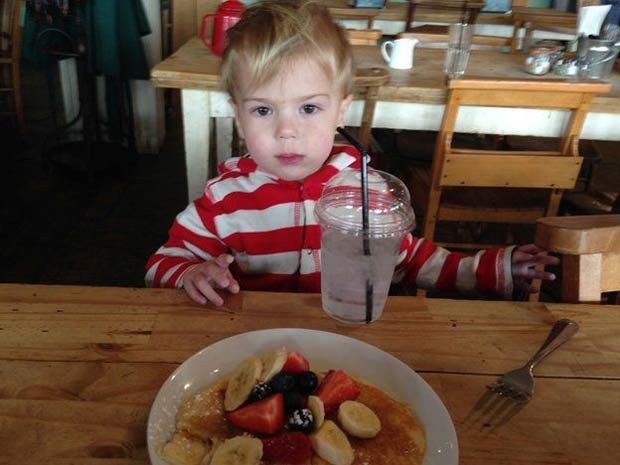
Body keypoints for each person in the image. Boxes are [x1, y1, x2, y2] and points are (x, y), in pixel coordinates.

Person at [145, 0, 558, 306]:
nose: (286, 131)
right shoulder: (223, 199)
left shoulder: (365, 190)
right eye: (263, 109)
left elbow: (410, 261)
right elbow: (162, 262)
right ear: (238, 117)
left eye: (309, 108)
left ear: (341, 110)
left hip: (348, 345)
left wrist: (492, 270)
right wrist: (190, 273)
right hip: (251, 347)